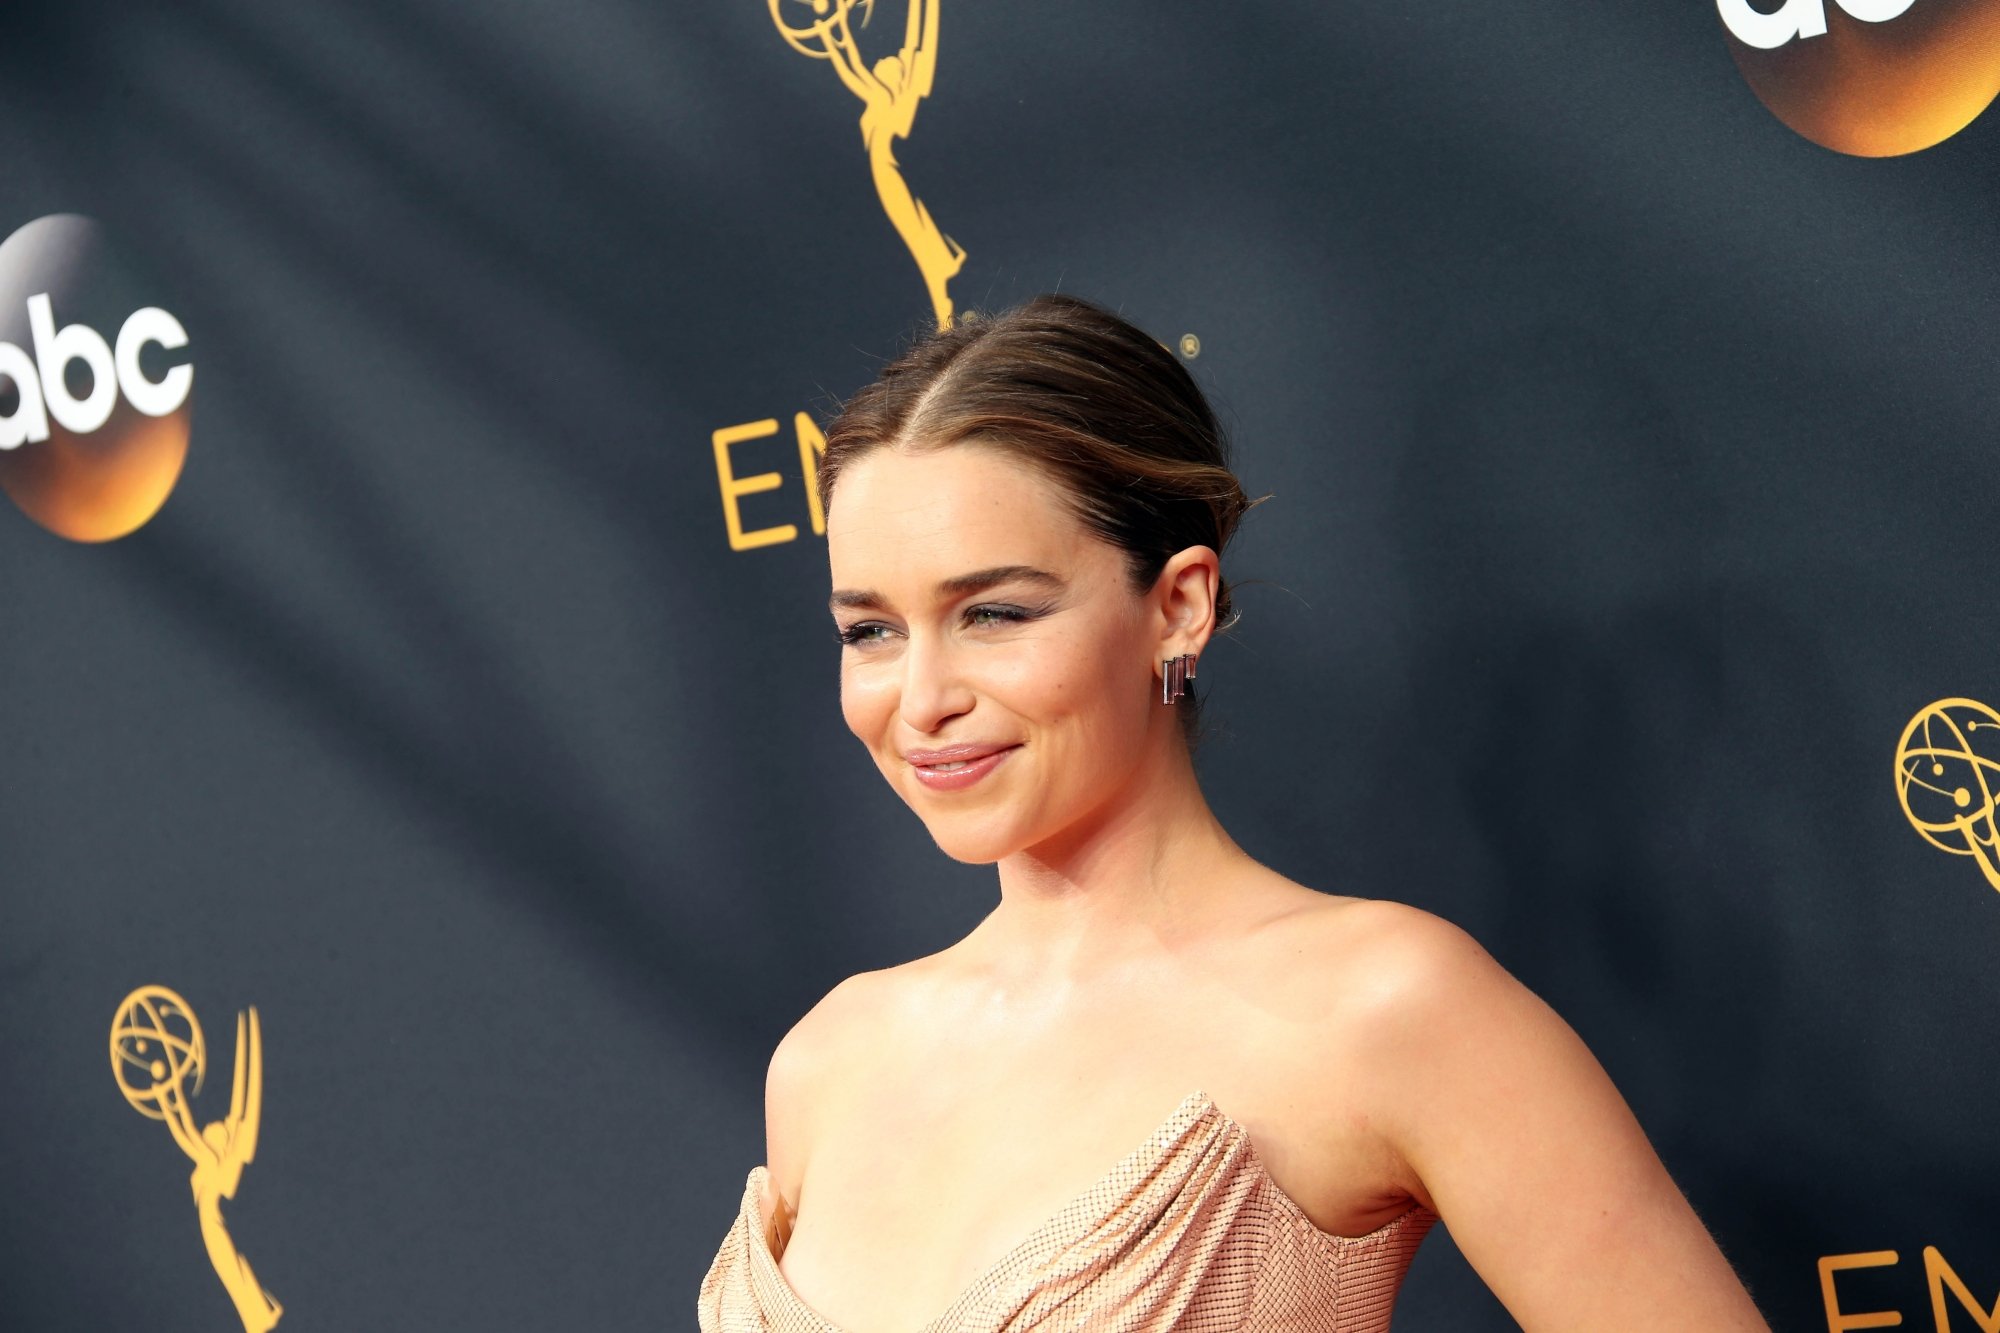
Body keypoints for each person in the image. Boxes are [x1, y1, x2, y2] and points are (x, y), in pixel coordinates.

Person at [698, 293, 1769, 1331]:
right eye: (870, 632)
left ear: (1177, 606)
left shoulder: (1385, 1006)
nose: (922, 699)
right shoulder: (829, 1061)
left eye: (993, 613)